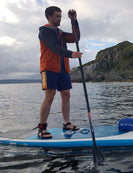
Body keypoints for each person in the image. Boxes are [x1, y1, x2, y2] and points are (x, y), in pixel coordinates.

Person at [38, 6, 82, 139]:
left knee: (66, 94)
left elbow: (75, 38)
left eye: (60, 16)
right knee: (50, 95)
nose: (59, 19)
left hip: (63, 68)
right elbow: (54, 47)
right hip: (49, 68)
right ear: (49, 16)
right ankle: (42, 127)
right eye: (57, 16)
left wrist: (74, 21)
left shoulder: (61, 33)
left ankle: (66, 123)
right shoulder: (44, 31)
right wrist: (71, 54)